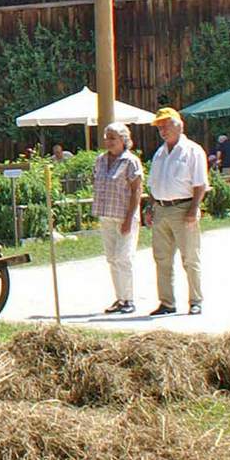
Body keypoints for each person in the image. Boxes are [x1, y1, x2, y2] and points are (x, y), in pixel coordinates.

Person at [146, 107, 208, 316]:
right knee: (162, 258)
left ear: (179, 125)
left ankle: (195, 300)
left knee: (190, 258)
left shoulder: (193, 150)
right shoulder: (159, 153)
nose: (163, 130)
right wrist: (150, 207)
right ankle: (167, 302)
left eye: (166, 125)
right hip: (161, 208)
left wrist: (193, 209)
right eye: (159, 127)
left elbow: (200, 184)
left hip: (184, 207)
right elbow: (153, 184)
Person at [92, 122, 144, 315]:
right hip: (106, 214)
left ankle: (129, 299)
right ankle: (120, 298)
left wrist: (130, 218)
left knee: (124, 257)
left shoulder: (130, 161)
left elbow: (136, 190)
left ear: (124, 140)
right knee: (112, 258)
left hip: (124, 216)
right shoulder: (100, 160)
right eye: (107, 137)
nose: (109, 142)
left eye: (113, 138)